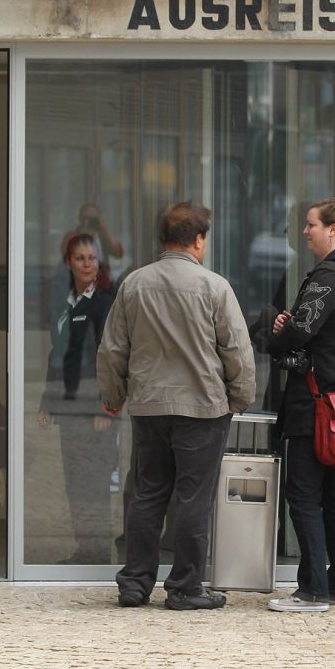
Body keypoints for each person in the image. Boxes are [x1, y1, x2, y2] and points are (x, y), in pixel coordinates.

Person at [98, 201, 255, 610]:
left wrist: (114, 395)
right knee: (193, 497)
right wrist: (239, 396)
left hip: (150, 405)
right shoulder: (214, 287)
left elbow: (113, 348)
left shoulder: (134, 284)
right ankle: (185, 586)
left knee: (147, 493)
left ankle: (135, 582)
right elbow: (236, 349)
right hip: (203, 407)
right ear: (199, 240)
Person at [265, 197, 335, 614]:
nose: (305, 231)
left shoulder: (328, 275)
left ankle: (312, 590)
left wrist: (281, 331)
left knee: (305, 494)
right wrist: (295, 328)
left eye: (311, 224)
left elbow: (299, 332)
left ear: (333, 229)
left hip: (316, 404)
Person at [38, 233, 116, 563]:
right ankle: (84, 547)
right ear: (68, 262)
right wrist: (48, 399)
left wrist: (106, 405)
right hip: (69, 404)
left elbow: (110, 355)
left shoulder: (103, 302)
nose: (86, 263)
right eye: (80, 258)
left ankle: (98, 549)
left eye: (92, 258)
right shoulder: (65, 302)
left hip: (94, 409)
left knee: (94, 481)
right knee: (73, 479)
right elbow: (59, 353)